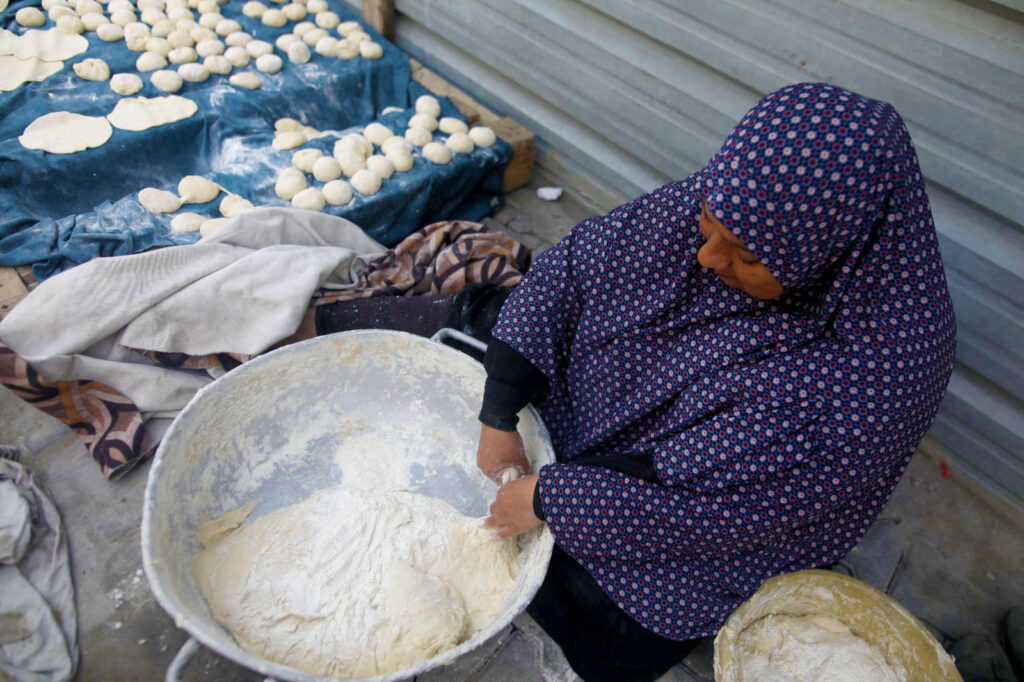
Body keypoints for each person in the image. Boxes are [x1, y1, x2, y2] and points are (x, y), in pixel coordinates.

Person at [477, 83, 957, 681]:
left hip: (724, 509)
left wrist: (555, 499)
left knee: (605, 621)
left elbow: (716, 511)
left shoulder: (873, 380)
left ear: (829, 253)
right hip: (665, 415)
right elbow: (576, 268)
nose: (707, 256)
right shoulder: (735, 207)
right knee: (500, 328)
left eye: (747, 257)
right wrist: (498, 413)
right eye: (709, 223)